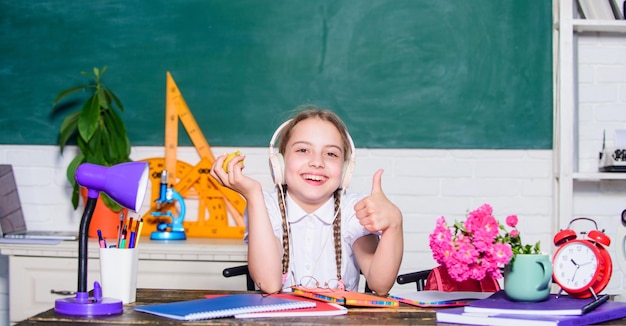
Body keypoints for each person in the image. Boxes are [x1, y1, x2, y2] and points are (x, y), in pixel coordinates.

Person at [210, 105, 403, 296]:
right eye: (303, 150)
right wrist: (253, 194)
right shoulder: (266, 207)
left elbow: (380, 285)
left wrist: (394, 224)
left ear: (345, 171)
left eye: (331, 154)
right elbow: (269, 284)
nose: (317, 162)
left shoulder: (353, 209)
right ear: (280, 162)